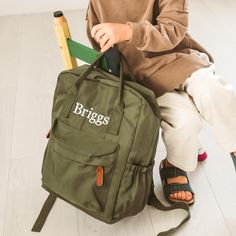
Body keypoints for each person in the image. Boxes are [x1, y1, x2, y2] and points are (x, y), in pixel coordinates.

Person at [85, 0, 236, 205]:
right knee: (184, 121)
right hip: (143, 78)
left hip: (180, 59)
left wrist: (129, 31)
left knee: (212, 89)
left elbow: (173, 29)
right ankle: (174, 165)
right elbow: (99, 44)